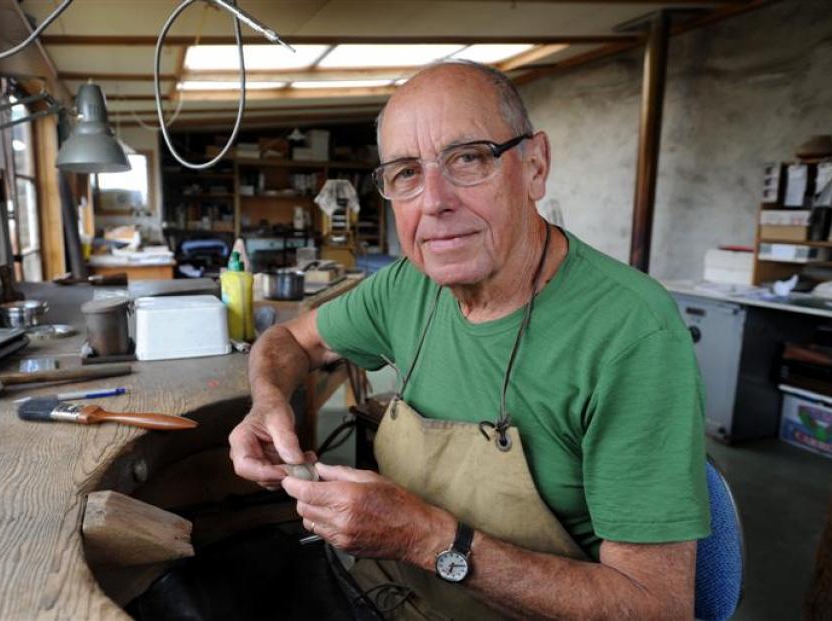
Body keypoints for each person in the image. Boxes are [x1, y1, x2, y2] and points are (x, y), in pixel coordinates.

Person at [228, 60, 710, 620]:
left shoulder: (629, 331)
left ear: (535, 166)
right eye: (406, 173)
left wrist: (427, 539)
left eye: (468, 158)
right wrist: (266, 404)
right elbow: (290, 339)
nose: (434, 200)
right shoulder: (408, 286)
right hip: (390, 593)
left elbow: (658, 609)